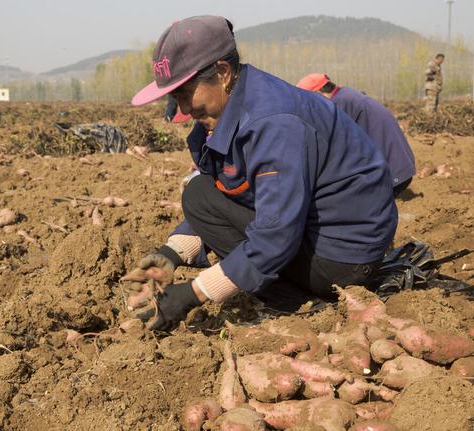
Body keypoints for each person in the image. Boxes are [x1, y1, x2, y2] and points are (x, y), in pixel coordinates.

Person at [126, 15, 397, 331]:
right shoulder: (238, 107)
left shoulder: (274, 123)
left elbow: (275, 235)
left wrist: (193, 293)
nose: (184, 110)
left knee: (200, 195)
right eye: (176, 98)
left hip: (343, 256)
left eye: (186, 93)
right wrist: (171, 255)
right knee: (199, 193)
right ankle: (293, 290)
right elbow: (224, 193)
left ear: (223, 73)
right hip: (320, 235)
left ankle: (294, 300)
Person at [296, 74, 416, 197]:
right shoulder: (345, 95)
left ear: (318, 93)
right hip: (400, 167)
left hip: (391, 174)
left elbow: (333, 147)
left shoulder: (340, 104)